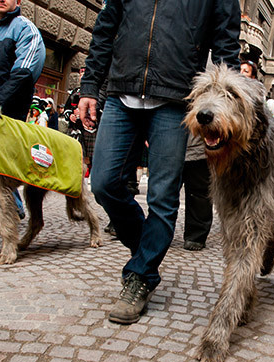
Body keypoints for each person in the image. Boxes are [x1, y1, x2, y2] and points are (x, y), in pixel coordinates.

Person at [78, 0, 241, 324]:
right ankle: (147, 251)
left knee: (162, 198)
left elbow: (227, 48)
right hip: (122, 91)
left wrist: (226, 103)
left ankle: (140, 276)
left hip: (174, 97)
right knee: (104, 183)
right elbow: (105, 28)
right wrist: (89, 87)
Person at [0, 0, 46, 236]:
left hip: (8, 107)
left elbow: (23, 73)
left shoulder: (24, 28)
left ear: (19, 1)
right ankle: (14, 204)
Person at [181, 135, 213, 251]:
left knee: (200, 193)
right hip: (168, 147)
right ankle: (161, 231)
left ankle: (196, 236)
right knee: (165, 193)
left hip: (200, 149)